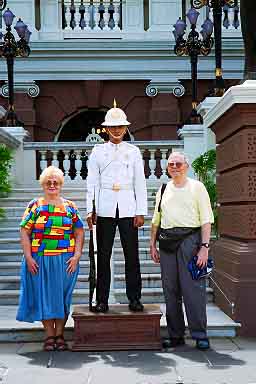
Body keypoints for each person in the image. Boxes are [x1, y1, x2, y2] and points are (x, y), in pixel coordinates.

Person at [86, 102, 147, 313]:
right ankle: (101, 299)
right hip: (105, 208)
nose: (117, 130)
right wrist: (90, 209)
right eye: (112, 127)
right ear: (106, 129)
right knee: (103, 256)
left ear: (125, 127)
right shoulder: (97, 151)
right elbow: (92, 182)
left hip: (129, 207)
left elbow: (140, 182)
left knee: (132, 256)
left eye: (120, 126)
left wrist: (141, 211)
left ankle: (135, 298)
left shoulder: (134, 151)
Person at [150, 152, 214, 350]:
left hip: (190, 241)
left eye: (178, 163)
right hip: (167, 243)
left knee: (193, 289)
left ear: (186, 166)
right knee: (171, 291)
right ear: (167, 168)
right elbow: (156, 220)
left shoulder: (197, 187)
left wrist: (204, 248)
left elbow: (206, 220)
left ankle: (200, 334)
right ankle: (176, 335)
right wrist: (152, 244)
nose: (175, 167)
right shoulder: (163, 189)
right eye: (171, 164)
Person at [16, 166, 84, 351]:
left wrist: (77, 255)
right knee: (44, 296)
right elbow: (24, 230)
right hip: (40, 259)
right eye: (48, 182)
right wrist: (28, 257)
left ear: (61, 185)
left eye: (55, 182)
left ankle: (60, 335)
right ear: (43, 184)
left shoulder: (70, 206)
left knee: (62, 297)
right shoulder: (35, 205)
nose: (52, 185)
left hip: (65, 260)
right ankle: (49, 336)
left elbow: (79, 231)